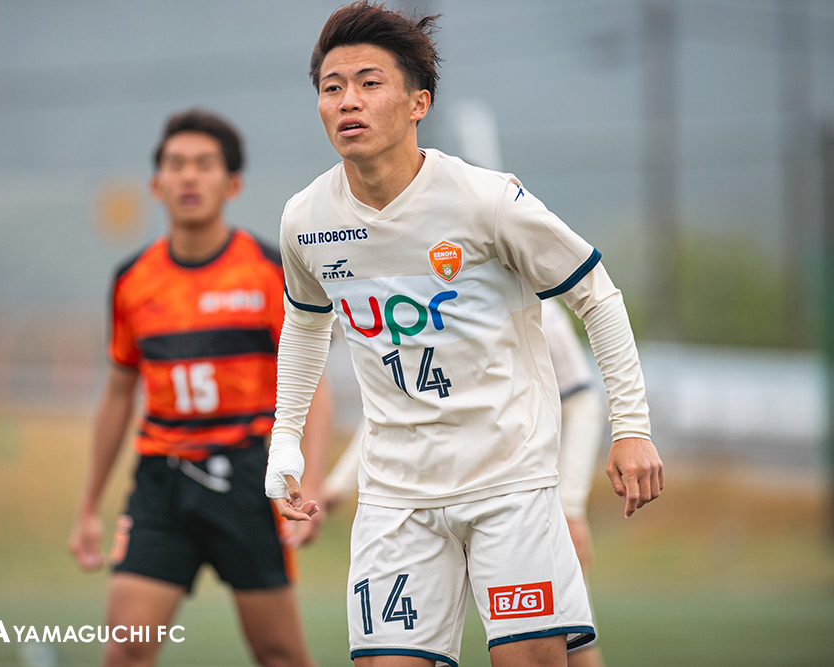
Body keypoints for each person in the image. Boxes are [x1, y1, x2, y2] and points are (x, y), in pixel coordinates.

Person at [263, 3, 664, 667]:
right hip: (395, 499)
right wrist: (285, 441)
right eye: (332, 87)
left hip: (510, 484)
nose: (347, 101)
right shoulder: (305, 219)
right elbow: (306, 326)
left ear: (418, 103)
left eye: (369, 83)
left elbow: (597, 294)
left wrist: (633, 428)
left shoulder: (487, 200)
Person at [68, 108, 331, 667]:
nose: (189, 176)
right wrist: (88, 504)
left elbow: (314, 383)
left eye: (204, 164)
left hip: (246, 481)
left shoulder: (269, 271)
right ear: (156, 184)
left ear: (232, 184)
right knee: (126, 651)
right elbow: (118, 392)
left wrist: (312, 480)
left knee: (279, 654)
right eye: (176, 164)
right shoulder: (132, 280)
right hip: (162, 484)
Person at [322, 299, 610, 667]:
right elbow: (394, 412)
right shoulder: (412, 302)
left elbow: (582, 401)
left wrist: (569, 505)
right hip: (421, 507)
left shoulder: (536, 302)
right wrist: (338, 486)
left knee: (567, 648)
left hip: (514, 498)